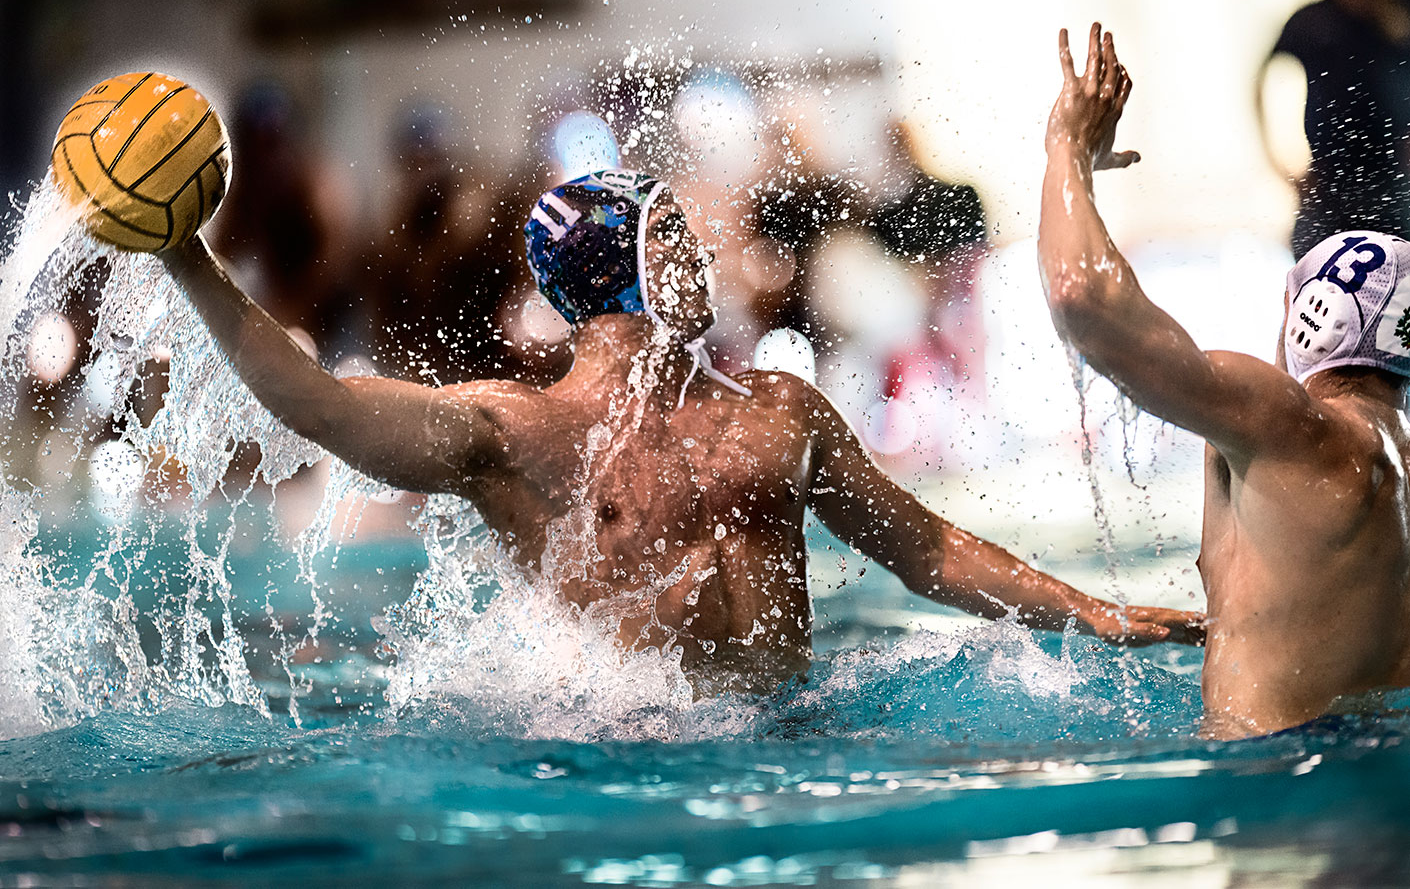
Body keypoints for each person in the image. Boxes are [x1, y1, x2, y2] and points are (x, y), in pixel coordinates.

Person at [156, 166, 1202, 693]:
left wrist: (1091, 611)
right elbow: (318, 403)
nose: (701, 254)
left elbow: (923, 547)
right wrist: (186, 260)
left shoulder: (777, 409)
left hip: (795, 733)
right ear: (617, 269)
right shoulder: (513, 434)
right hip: (632, 750)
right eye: (672, 236)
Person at [1041, 23, 1410, 738]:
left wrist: (1068, 149)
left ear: (1303, 318)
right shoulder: (1389, 454)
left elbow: (1083, 300)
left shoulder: (1293, 430)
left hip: (1270, 777)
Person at [1257, 0, 1410, 257]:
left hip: (1397, 190)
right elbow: (1261, 83)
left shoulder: (1402, 9)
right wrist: (1283, 168)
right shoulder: (1315, 22)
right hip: (1331, 189)